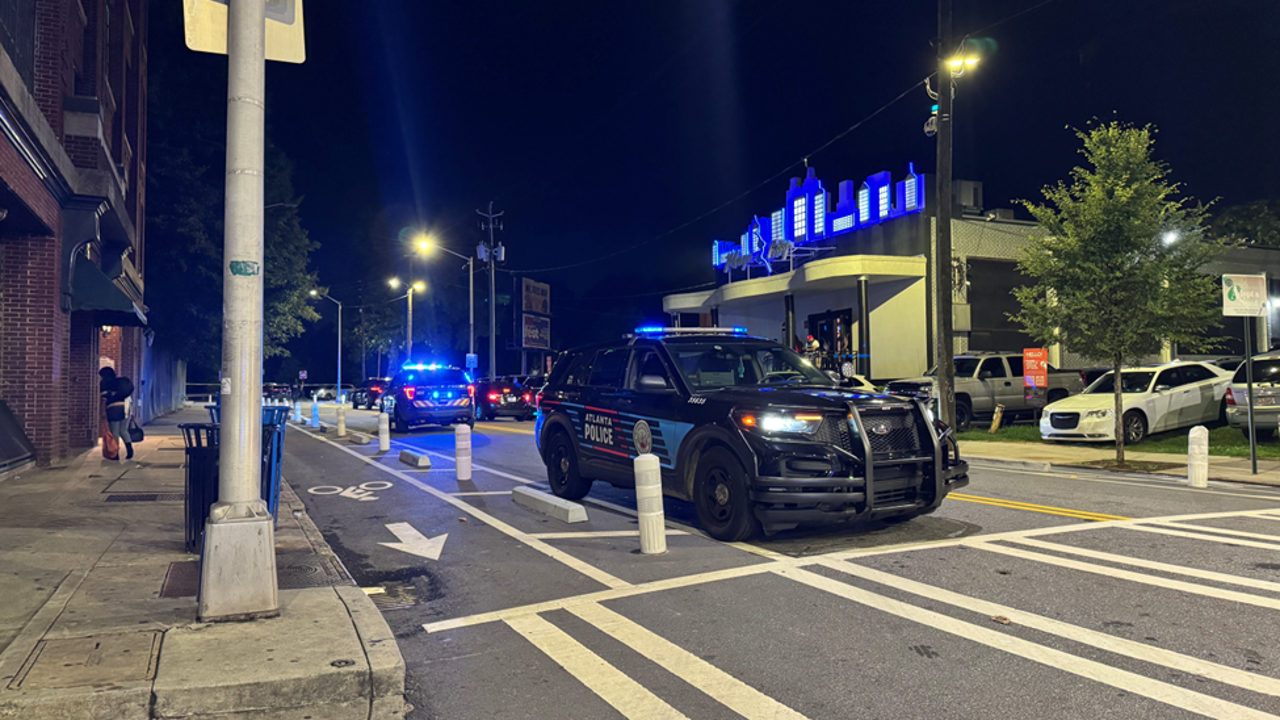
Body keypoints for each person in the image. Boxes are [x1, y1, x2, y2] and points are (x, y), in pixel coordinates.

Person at [99, 367, 134, 460]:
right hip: (125, 407)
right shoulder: (119, 383)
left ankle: (115, 454)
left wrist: (102, 411)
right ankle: (130, 450)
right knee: (123, 430)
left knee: (114, 432)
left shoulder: (105, 383)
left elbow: (104, 399)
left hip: (113, 409)